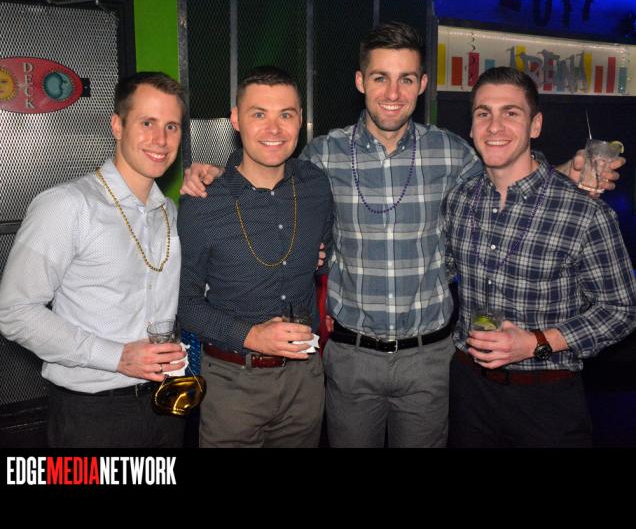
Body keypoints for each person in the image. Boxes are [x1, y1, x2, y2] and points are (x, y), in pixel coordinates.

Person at [180, 22, 625, 448]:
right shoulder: (322, 157)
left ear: (422, 84)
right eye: (381, 78)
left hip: (429, 361)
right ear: (361, 81)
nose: (393, 94)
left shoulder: (452, 153)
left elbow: (507, 176)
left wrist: (565, 171)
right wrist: (217, 173)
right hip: (350, 359)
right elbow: (266, 172)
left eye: (406, 79)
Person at [442, 66, 636, 447]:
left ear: (535, 125)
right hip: (469, 392)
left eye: (511, 113)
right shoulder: (459, 201)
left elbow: (623, 309)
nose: (494, 126)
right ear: (472, 127)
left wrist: (536, 342)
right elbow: (441, 269)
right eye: (484, 113)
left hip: (546, 400)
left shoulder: (584, 212)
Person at [0, 72, 188, 447]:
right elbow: (14, 311)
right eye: (147, 123)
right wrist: (116, 356)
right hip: (93, 415)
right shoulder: (68, 205)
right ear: (117, 126)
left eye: (172, 126)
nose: (161, 139)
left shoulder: (168, 211)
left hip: (166, 403)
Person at [177, 66, 333, 447]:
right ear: (236, 119)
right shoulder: (202, 201)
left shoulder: (316, 185)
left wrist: (319, 258)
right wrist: (252, 336)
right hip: (231, 385)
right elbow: (184, 304)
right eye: (259, 114)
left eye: (286, 115)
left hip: (305, 382)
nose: (274, 129)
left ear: (300, 120)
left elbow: (326, 253)